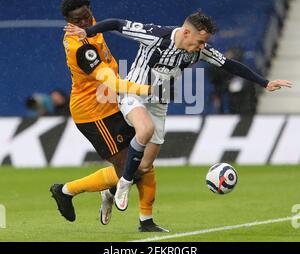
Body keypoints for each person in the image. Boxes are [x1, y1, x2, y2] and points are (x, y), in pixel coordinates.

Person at [65, 13, 292, 221]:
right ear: (186, 33)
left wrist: (265, 82)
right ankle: (123, 184)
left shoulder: (199, 51)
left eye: (204, 42)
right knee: (144, 131)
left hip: (158, 104)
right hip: (134, 95)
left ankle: (110, 189)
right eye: (200, 41)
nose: (202, 46)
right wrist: (89, 32)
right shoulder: (154, 35)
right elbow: (116, 24)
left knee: (143, 167)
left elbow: (229, 65)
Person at [50, 0, 168, 232]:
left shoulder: (86, 21)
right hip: (95, 113)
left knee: (142, 165)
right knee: (133, 170)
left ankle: (146, 221)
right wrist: (144, 89)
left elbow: (77, 0)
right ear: (70, 23)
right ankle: (65, 191)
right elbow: (111, 82)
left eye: (87, 14)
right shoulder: (81, 48)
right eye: (78, 19)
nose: (85, 20)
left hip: (113, 103)